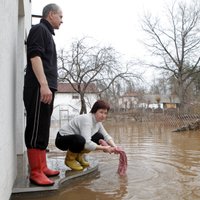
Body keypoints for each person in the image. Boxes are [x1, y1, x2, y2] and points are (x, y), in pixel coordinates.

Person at [23, 3, 63, 186]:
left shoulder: (47, 33)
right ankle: (35, 172)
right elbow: (35, 56)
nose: (62, 21)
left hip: (46, 88)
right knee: (35, 127)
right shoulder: (39, 29)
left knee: (43, 127)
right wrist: (44, 85)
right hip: (40, 87)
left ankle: (43, 166)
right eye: (60, 17)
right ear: (51, 14)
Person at [55, 100, 119, 171]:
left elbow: (106, 136)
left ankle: (78, 156)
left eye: (105, 113)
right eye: (101, 112)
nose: (103, 115)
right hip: (61, 140)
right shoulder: (87, 120)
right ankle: (69, 160)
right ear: (94, 111)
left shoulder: (98, 122)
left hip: (74, 139)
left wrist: (115, 146)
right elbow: (87, 144)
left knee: (99, 137)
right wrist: (105, 148)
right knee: (80, 140)